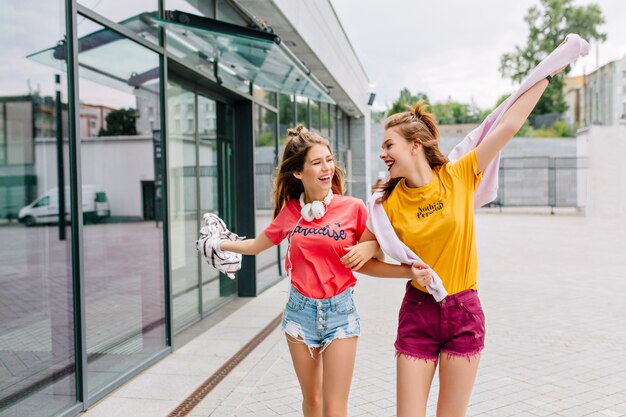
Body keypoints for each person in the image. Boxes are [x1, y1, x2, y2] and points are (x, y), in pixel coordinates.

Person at [353, 65, 568, 416]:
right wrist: (400, 266)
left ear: (415, 146)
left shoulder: (458, 175)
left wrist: (547, 74)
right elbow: (369, 262)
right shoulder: (385, 202)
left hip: (463, 311)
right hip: (417, 313)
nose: (383, 153)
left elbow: (508, 125)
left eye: (389, 145)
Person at [218, 124, 417, 417]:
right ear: (298, 172)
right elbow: (257, 245)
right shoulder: (290, 213)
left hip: (340, 313)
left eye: (329, 159)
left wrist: (372, 249)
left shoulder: (353, 207)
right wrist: (220, 244)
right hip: (299, 314)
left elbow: (376, 247)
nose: (327, 168)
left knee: (334, 408)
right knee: (312, 402)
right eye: (316, 162)